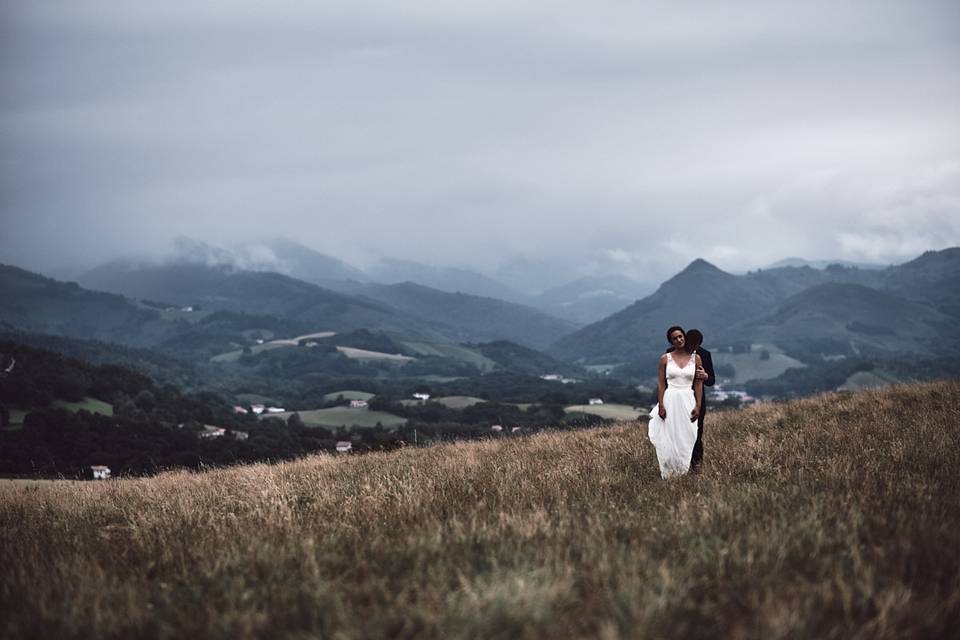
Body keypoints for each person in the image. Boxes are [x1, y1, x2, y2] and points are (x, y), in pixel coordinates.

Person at [648, 326, 703, 478]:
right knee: (669, 436)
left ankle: (683, 471)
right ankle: (668, 472)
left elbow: (699, 384)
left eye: (680, 336)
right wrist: (661, 405)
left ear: (684, 337)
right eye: (675, 338)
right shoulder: (665, 358)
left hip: (688, 399)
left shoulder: (696, 358)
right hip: (670, 398)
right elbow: (661, 384)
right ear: (671, 341)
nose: (679, 340)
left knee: (688, 435)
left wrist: (698, 405)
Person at [682, 329, 715, 471]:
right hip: (679, 398)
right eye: (690, 345)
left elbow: (712, 381)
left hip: (698, 400)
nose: (692, 349)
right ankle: (680, 463)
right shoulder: (672, 352)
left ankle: (696, 465)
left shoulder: (705, 354)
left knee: (697, 432)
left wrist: (705, 376)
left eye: (696, 346)